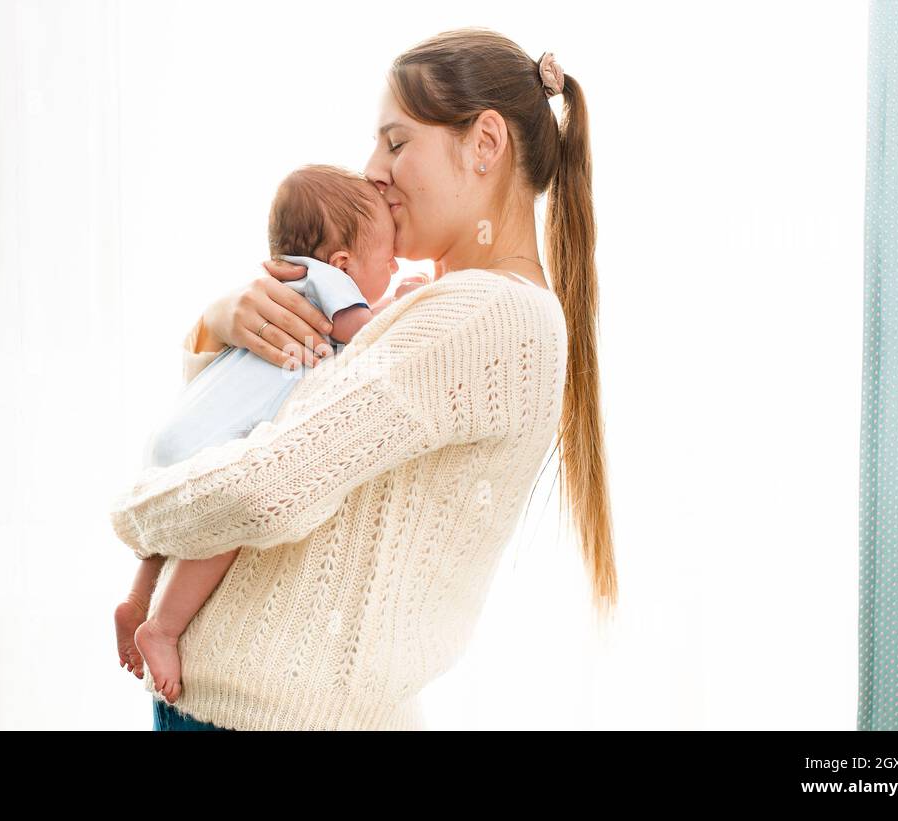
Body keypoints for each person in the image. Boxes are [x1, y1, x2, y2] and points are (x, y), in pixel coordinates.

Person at [111, 27, 617, 731]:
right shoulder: (444, 308)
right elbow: (262, 419)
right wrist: (218, 328)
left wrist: (134, 514)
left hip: (267, 718)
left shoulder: (486, 314)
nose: (373, 169)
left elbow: (264, 486)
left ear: (486, 143)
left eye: (397, 142)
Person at [114, 165, 413, 705]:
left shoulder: (283, 281)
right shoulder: (328, 283)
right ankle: (162, 626)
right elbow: (363, 336)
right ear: (343, 263)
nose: (395, 266)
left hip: (186, 427)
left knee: (174, 526)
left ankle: (138, 600)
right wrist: (406, 307)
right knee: (221, 527)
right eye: (388, 258)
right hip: (221, 441)